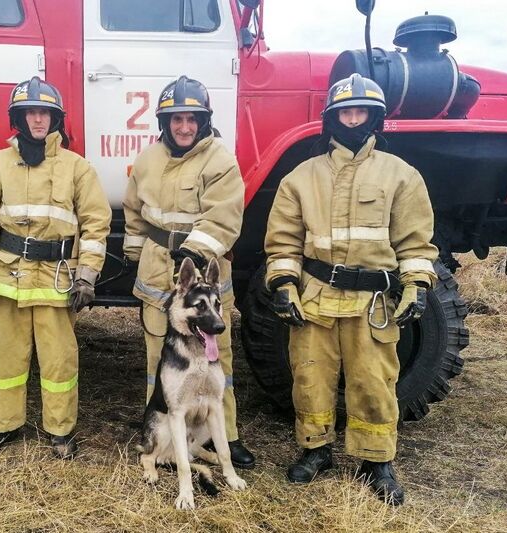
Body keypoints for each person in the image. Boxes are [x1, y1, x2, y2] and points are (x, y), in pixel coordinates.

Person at [264, 73, 438, 505]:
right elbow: (283, 241)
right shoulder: (301, 178)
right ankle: (315, 449)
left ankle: (376, 461)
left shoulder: (402, 176)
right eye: (345, 110)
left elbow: (415, 242)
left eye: (361, 110)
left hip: (371, 303)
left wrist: (417, 284)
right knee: (310, 377)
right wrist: (284, 283)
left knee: (374, 381)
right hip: (316, 297)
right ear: (332, 118)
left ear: (375, 117)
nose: (353, 117)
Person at [0, 76, 111, 458]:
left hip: (56, 279)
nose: (38, 120)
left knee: (59, 359)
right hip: (7, 277)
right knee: (6, 356)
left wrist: (87, 274)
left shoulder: (77, 168)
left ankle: (60, 431)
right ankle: (4, 426)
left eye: (44, 113)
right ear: (19, 118)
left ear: (55, 119)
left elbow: (96, 223)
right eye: (31, 113)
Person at [123, 75, 255, 469]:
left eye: (191, 119)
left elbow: (224, 217)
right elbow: (134, 211)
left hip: (205, 282)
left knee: (217, 362)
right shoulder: (148, 159)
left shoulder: (219, 158)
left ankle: (223, 437)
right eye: (176, 119)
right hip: (156, 275)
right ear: (165, 122)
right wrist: (135, 251)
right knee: (158, 361)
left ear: (203, 121)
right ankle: (160, 430)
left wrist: (194, 255)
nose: (184, 127)